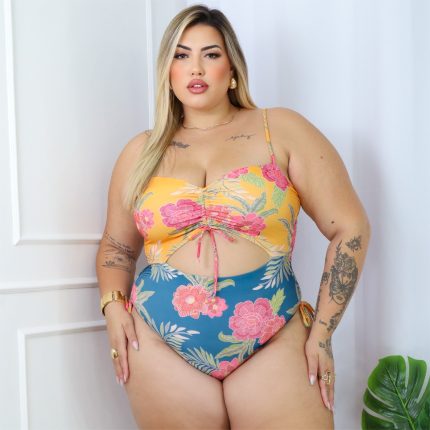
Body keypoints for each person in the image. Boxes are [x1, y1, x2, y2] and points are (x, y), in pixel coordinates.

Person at [95, 4, 370, 429]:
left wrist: (322, 333)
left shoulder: (280, 129)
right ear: (167, 72)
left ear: (233, 69)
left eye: (211, 54)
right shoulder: (140, 152)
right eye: (181, 55)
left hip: (274, 336)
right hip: (158, 342)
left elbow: (349, 227)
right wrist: (113, 307)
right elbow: (117, 247)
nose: (195, 67)